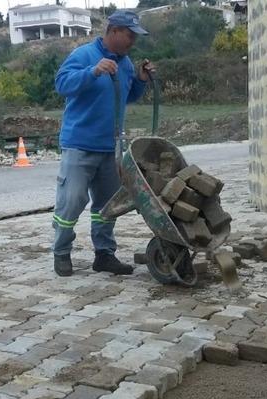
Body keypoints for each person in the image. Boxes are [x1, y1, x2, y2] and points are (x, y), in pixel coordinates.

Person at [51, 10, 155, 277]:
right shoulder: (83, 55)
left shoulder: (126, 63)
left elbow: (126, 95)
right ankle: (61, 253)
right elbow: (62, 84)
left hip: (111, 147)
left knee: (107, 206)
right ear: (113, 31)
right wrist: (92, 72)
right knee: (72, 201)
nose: (133, 40)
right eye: (129, 35)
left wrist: (141, 80)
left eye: (135, 36)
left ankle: (104, 254)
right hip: (80, 144)